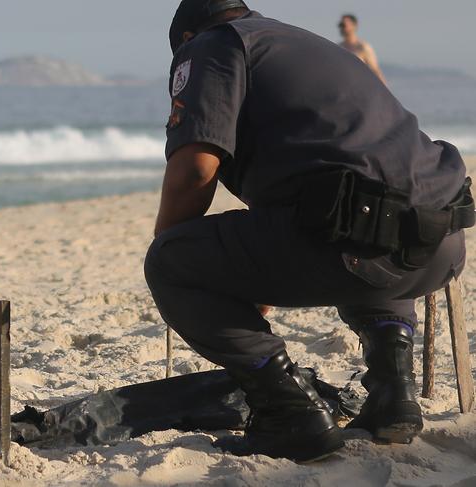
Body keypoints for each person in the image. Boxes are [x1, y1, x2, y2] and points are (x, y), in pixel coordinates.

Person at [144, 0, 473, 462]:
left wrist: (171, 254)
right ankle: (392, 389)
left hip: (357, 243)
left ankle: (289, 411)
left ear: (184, 40)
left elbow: (194, 171)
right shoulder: (308, 45)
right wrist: (248, 280)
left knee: (169, 259)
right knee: (371, 211)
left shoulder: (213, 44)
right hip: (442, 243)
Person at [339, 13, 387, 83]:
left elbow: (375, 70)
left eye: (344, 25)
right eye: (340, 25)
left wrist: (385, 91)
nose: (341, 28)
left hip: (360, 86)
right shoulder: (339, 47)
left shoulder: (363, 47)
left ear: (354, 26)